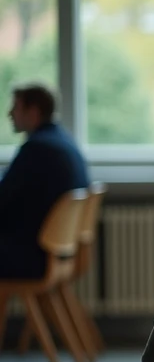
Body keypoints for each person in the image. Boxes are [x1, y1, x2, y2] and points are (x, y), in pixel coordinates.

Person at [0, 84, 89, 279]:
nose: (9, 114)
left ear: (33, 112)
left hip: (33, 256)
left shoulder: (37, 149)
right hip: (59, 251)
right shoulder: (65, 143)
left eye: (15, 107)